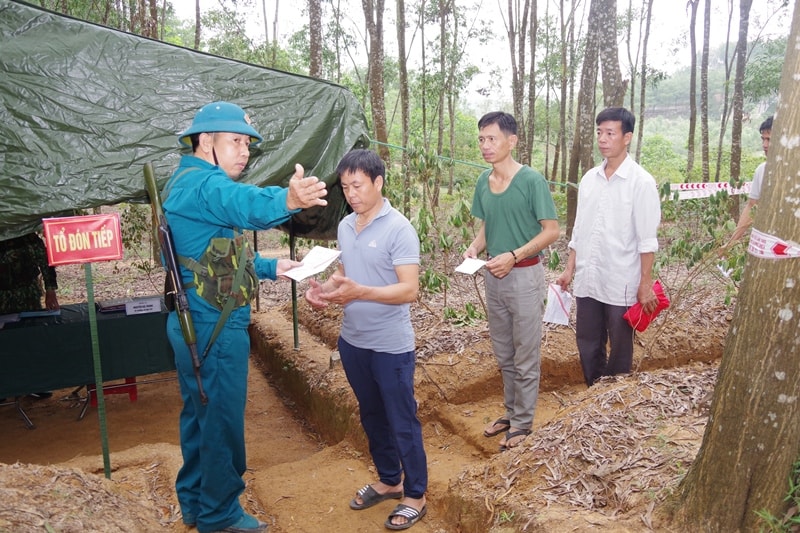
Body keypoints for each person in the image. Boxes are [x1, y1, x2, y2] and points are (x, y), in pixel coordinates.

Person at [164, 101, 327, 533]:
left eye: (247, 144)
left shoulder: (188, 181)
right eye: (235, 141)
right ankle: (220, 516)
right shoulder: (203, 185)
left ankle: (197, 504)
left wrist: (275, 267)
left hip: (198, 324)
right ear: (205, 142)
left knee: (201, 418)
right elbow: (242, 203)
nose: (244, 151)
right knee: (221, 424)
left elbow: (215, 257)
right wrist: (288, 198)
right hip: (213, 329)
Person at [304, 149, 428, 531]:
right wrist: (324, 292)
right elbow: (346, 276)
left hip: (391, 345)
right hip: (353, 341)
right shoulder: (345, 226)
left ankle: (416, 493)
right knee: (372, 414)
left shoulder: (399, 229)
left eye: (358, 185)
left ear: (378, 182)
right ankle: (390, 480)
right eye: (345, 187)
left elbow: (409, 291)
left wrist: (358, 292)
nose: (352, 193)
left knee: (401, 418)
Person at [463, 111, 560, 451]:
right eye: (481, 139)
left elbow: (552, 230)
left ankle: (522, 423)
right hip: (494, 277)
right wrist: (476, 246)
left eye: (491, 139)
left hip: (525, 276)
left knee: (525, 353)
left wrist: (515, 256)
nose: (485, 146)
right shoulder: (483, 182)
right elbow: (488, 223)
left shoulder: (531, 181)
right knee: (503, 352)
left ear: (511, 141)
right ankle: (510, 412)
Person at [555, 106, 661, 387]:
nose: (602, 139)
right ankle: (594, 391)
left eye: (610, 133)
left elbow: (647, 240)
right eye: (599, 132)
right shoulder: (590, 179)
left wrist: (645, 283)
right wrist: (569, 269)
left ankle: (616, 397)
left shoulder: (641, 183)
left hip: (621, 280)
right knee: (588, 340)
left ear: (627, 137)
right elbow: (580, 229)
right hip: (589, 278)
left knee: (620, 344)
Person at [0, 232, 60, 401]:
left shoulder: (27, 235)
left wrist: (50, 290)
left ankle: (34, 384)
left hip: (26, 293)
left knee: (29, 337)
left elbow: (45, 261)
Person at [724, 115, 772, 247]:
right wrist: (732, 242)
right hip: (769, 243)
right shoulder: (761, 171)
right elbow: (752, 206)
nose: (765, 145)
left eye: (769, 140)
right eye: (763, 139)